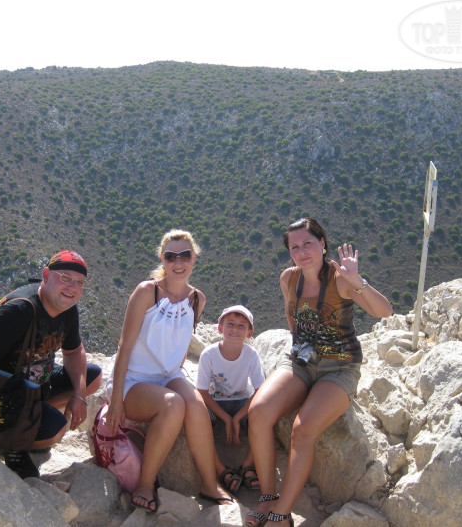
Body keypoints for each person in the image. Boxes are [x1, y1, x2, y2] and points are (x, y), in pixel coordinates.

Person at [246, 218, 392, 526]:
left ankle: (281, 513)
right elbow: (292, 314)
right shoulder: (289, 278)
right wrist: (298, 346)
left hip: (339, 367)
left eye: (308, 244)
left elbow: (384, 311)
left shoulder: (341, 279)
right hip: (301, 361)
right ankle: (268, 495)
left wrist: (357, 279)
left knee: (302, 430)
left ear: (323, 243)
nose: (301, 252)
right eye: (294, 247)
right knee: (258, 411)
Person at [106, 229, 233, 513]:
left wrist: (178, 372)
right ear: (162, 260)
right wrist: (115, 400)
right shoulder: (146, 292)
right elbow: (125, 346)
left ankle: (209, 484)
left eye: (184, 255)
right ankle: (145, 484)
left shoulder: (197, 299)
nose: (178, 262)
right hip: (134, 378)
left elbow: (180, 339)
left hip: (169, 375)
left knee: (197, 407)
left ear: (194, 258)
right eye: (170, 256)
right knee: (173, 405)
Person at [0, 250, 103, 479]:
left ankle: (29, 418)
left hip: (34, 384)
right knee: (55, 429)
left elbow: (74, 352)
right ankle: (11, 444)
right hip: (0, 394)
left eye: (79, 282)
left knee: (92, 378)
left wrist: (79, 396)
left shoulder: (67, 310)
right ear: (46, 276)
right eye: (65, 278)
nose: (72, 287)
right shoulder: (21, 310)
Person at [196, 305, 265, 494]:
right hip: (215, 401)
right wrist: (226, 418)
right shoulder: (209, 355)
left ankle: (247, 465)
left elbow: (260, 390)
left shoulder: (251, 355)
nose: (235, 329)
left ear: (249, 332)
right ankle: (221, 470)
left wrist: (238, 417)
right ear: (220, 328)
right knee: (198, 420)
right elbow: (202, 392)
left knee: (264, 415)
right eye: (230, 324)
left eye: (242, 325)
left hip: (242, 400)